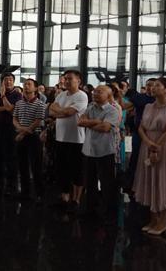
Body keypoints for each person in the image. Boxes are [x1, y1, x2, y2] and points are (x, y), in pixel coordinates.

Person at [132, 77, 166, 235]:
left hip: (163, 147)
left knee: (162, 180)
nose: (153, 88)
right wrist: (148, 143)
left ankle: (163, 221)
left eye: (157, 85)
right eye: (152, 85)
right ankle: (153, 219)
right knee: (149, 180)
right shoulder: (148, 106)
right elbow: (141, 128)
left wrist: (156, 148)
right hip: (147, 145)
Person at [78, 86, 120, 224]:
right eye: (94, 91)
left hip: (104, 151)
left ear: (108, 95)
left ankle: (108, 213)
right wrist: (97, 121)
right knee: (89, 183)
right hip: (88, 151)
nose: (95, 93)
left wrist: (88, 123)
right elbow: (80, 122)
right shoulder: (90, 107)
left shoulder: (112, 110)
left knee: (107, 184)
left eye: (99, 92)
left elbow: (105, 128)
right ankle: (90, 209)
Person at [49, 70, 88, 213]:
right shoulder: (61, 95)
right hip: (60, 138)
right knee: (62, 169)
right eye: (65, 78)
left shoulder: (82, 95)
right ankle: (65, 197)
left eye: (70, 79)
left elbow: (69, 112)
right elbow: (51, 110)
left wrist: (59, 112)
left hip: (76, 139)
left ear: (78, 81)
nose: (66, 81)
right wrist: (61, 112)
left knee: (77, 170)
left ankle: (76, 199)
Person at [12, 78, 45, 202]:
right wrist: (20, 129)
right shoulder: (19, 103)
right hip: (21, 135)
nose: (26, 86)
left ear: (35, 88)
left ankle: (39, 193)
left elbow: (38, 121)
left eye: (29, 84)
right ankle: (25, 192)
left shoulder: (40, 103)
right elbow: (14, 118)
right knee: (22, 165)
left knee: (36, 166)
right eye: (25, 84)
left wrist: (23, 132)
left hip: (34, 137)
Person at [0, 72, 22, 194]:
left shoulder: (17, 95)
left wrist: (3, 97)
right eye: (5, 80)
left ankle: (11, 186)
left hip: (10, 129)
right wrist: (5, 107)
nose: (8, 82)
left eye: (10, 80)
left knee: (10, 157)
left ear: (13, 82)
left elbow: (11, 110)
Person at [123, 78, 156, 187]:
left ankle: (150, 182)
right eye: (148, 85)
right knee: (136, 156)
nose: (150, 87)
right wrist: (119, 96)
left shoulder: (159, 99)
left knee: (152, 156)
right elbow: (124, 106)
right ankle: (132, 182)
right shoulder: (139, 97)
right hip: (138, 131)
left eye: (153, 85)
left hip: (154, 133)